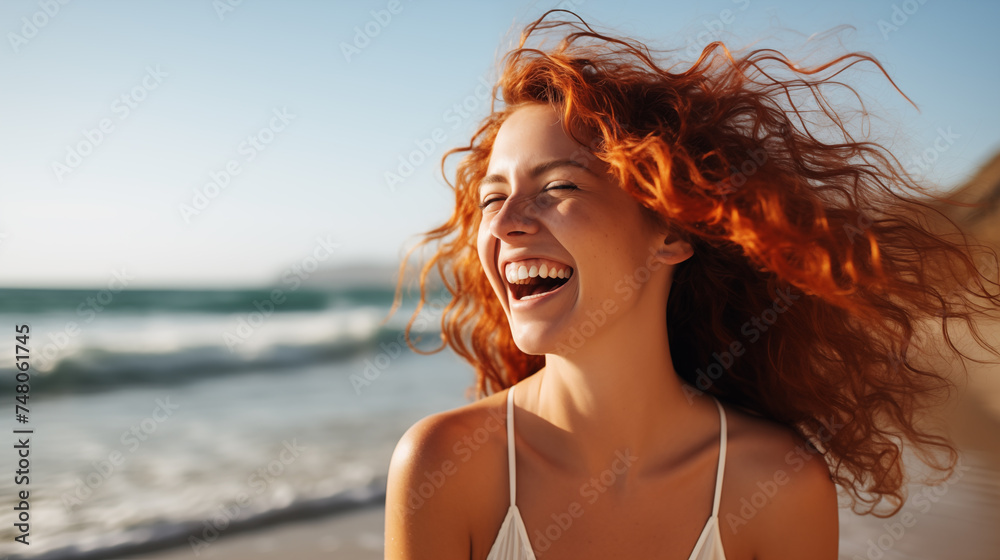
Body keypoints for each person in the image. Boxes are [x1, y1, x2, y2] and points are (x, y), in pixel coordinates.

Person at [383, 9, 1000, 559]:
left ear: (672, 232)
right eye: (494, 198)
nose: (509, 223)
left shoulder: (778, 485)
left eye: (559, 187)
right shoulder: (444, 468)